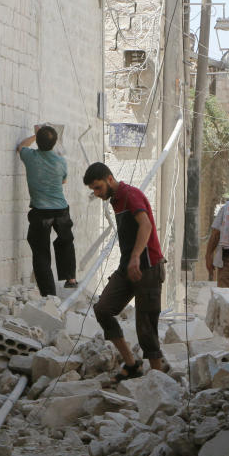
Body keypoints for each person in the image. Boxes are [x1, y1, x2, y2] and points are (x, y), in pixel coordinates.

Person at [82, 162, 167, 381]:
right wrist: (129, 262)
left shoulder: (131, 195)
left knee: (146, 324)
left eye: (98, 187)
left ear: (109, 179)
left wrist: (137, 256)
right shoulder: (116, 200)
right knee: (103, 309)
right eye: (93, 190)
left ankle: (157, 378)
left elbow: (145, 225)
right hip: (127, 267)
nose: (97, 193)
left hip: (148, 266)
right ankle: (131, 364)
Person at [17, 125, 77, 297]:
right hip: (61, 209)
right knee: (65, 241)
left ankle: (48, 294)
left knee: (41, 252)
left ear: (38, 140)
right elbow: (63, 182)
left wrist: (34, 135)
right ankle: (70, 278)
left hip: (40, 212)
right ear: (55, 142)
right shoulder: (61, 161)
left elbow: (21, 146)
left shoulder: (30, 157)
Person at [204, 197, 229, 288]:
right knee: (224, 295)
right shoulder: (227, 208)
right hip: (227, 260)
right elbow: (215, 233)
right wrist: (208, 255)